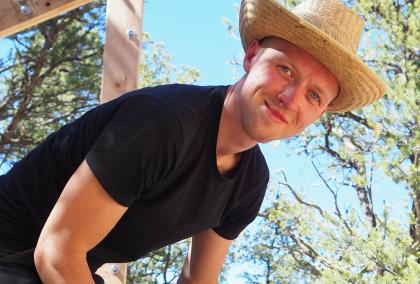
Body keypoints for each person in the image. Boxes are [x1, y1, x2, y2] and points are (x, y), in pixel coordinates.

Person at [0, 0, 387, 283]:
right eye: (285, 69)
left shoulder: (250, 183)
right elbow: (55, 253)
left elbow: (197, 281)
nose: (291, 98)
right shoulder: (163, 124)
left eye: (314, 95)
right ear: (251, 57)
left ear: (319, 113)